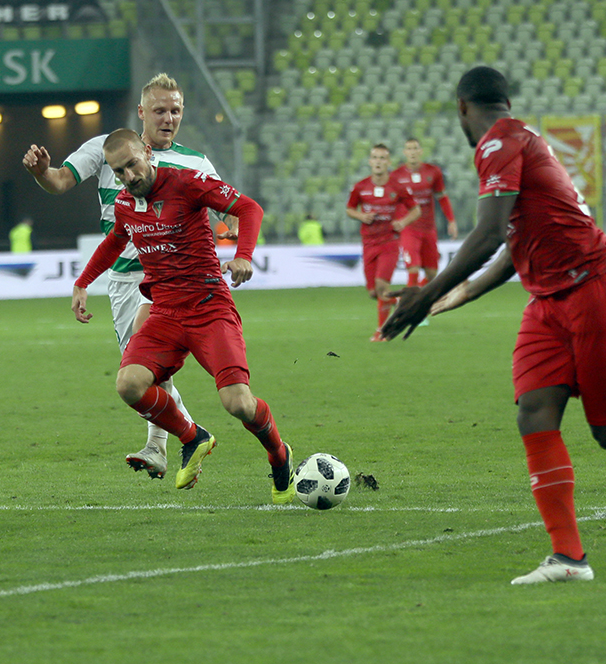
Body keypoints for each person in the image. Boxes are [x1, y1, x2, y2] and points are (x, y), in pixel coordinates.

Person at [382, 66, 606, 584]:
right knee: (534, 411)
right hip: (548, 301)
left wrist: (426, 292)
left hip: (596, 289)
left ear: (462, 108)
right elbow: (511, 246)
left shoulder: (498, 144)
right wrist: (456, 296)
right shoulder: (520, 140)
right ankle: (569, 558)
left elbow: (488, 234)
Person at [22, 73, 235, 483]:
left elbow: (230, 211)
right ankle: (182, 440)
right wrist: (41, 173)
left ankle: (163, 444)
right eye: (159, 110)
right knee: (143, 372)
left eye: (175, 110)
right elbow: (60, 181)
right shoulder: (106, 150)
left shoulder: (197, 163)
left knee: (145, 364)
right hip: (122, 280)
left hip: (171, 280)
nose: (168, 118)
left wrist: (238, 245)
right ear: (141, 112)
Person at [71, 128, 294, 503]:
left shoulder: (187, 182)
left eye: (132, 165)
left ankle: (278, 453)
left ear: (147, 152)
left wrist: (243, 255)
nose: (129, 176)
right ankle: (193, 437)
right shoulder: (125, 203)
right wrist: (83, 282)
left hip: (208, 306)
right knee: (128, 385)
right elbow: (115, 241)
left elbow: (248, 208)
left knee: (239, 404)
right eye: (119, 171)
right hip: (164, 312)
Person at [346, 143, 421, 341]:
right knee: (374, 292)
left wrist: (402, 222)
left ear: (388, 162)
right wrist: (361, 216)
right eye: (375, 158)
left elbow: (416, 210)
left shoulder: (397, 187)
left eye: (382, 158)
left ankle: (382, 330)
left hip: (389, 242)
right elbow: (350, 209)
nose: (378, 162)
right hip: (369, 243)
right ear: (370, 162)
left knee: (381, 286)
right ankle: (398, 302)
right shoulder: (361, 187)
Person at [390, 138, 458, 287]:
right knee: (413, 269)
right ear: (404, 152)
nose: (412, 152)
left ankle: (415, 296)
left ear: (420, 151)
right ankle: (410, 300)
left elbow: (442, 197)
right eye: (409, 149)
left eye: (415, 148)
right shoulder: (396, 175)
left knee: (432, 274)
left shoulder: (433, 172)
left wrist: (451, 221)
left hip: (428, 228)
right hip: (409, 228)